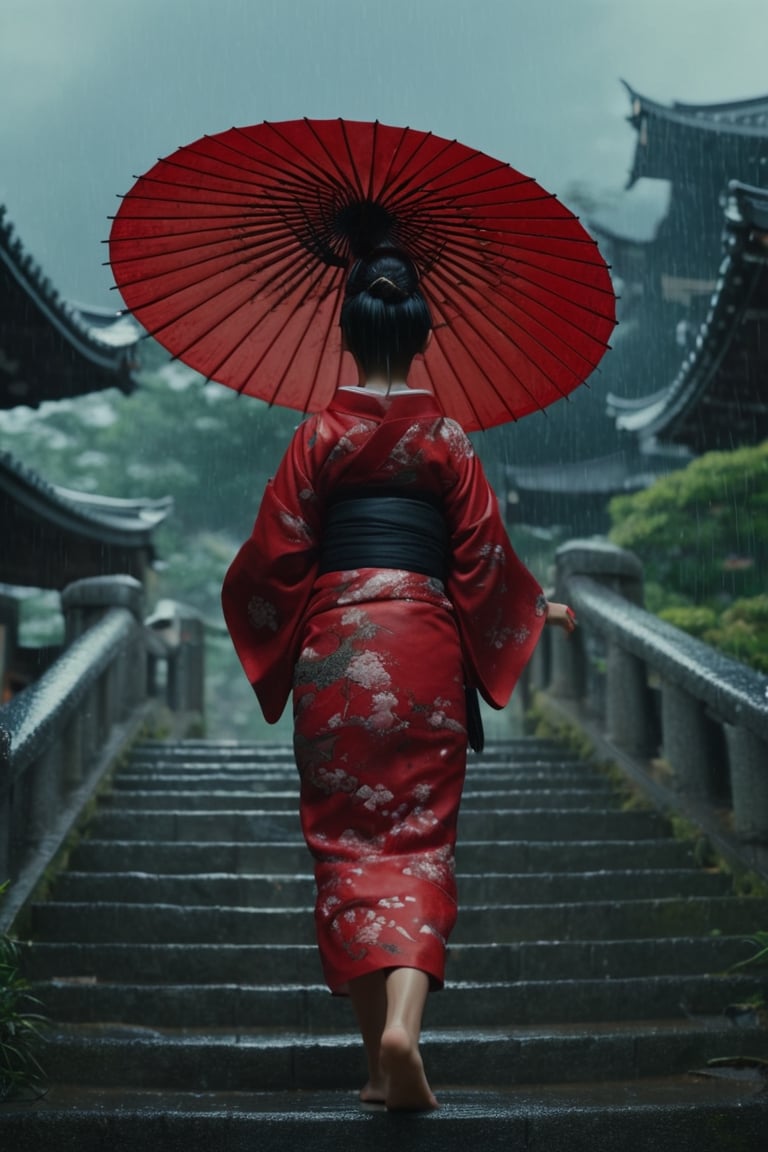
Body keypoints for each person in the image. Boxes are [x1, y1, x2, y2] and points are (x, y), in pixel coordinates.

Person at [221, 248, 576, 1111]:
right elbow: (484, 560)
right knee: (419, 843)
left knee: (347, 846)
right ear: (421, 338)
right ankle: (400, 1041)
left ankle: (377, 1064)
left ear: (346, 333)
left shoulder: (318, 436)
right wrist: (536, 613)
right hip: (423, 646)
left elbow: (273, 561)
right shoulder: (445, 440)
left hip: (338, 654)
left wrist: (269, 607)